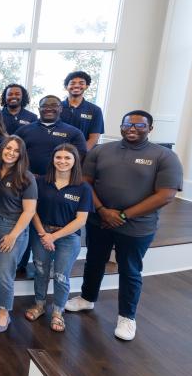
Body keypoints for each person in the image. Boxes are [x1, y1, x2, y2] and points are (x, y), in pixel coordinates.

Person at [65, 110, 183, 341]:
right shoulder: (101, 150)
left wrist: (123, 215)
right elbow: (85, 183)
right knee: (94, 261)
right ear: (120, 127)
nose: (132, 128)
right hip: (100, 220)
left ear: (150, 128)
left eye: (139, 125)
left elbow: (166, 195)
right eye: (127, 124)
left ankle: (127, 317)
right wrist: (101, 210)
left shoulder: (164, 156)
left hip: (137, 226)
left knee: (130, 270)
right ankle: (87, 298)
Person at [25, 144, 92, 333]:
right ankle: (39, 305)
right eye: (58, 158)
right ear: (53, 160)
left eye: (67, 158)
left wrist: (53, 237)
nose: (62, 161)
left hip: (67, 237)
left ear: (75, 162)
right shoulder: (40, 182)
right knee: (40, 271)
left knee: (61, 276)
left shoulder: (83, 187)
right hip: (41, 233)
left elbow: (81, 220)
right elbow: (33, 211)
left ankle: (57, 312)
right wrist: (43, 234)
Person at [0, 136, 37, 332]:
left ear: (21, 155)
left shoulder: (26, 177)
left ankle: (4, 312)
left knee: (5, 273)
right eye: (8, 148)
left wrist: (13, 236)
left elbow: (29, 211)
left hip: (11, 229)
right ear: (2, 149)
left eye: (16, 150)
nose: (11, 152)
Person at [14, 95, 87, 176]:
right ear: (39, 109)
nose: (48, 108)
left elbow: (79, 157)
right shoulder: (23, 130)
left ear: (61, 109)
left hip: (58, 181)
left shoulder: (74, 133)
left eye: (54, 105)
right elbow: (14, 153)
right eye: (44, 106)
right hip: (27, 178)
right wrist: (26, 173)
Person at [60, 71, 105, 150]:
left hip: (81, 155)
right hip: (57, 154)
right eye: (73, 83)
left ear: (86, 86)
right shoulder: (57, 107)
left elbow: (94, 138)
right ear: (66, 86)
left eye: (81, 83)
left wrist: (80, 154)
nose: (77, 85)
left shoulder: (95, 110)